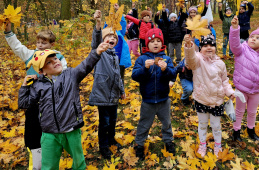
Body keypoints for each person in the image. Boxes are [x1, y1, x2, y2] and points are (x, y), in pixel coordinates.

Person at [18, 41, 109, 169]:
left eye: (55, 58)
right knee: (48, 165)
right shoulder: (37, 85)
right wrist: (24, 86)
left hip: (71, 129)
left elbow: (85, 65)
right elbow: (24, 104)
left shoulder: (71, 75)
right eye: (48, 62)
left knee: (79, 163)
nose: (55, 62)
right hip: (49, 133)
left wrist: (97, 52)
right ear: (42, 71)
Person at [4, 21, 67, 170]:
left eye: (43, 43)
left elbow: (64, 74)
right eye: (38, 42)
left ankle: (52, 155)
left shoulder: (58, 57)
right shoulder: (30, 54)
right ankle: (36, 161)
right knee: (33, 132)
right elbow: (17, 47)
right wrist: (8, 32)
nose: (39, 45)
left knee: (50, 130)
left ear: (51, 44)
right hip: (33, 101)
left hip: (51, 101)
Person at [184, 33, 235, 158]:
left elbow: (224, 81)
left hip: (217, 102)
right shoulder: (198, 60)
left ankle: (218, 145)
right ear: (200, 48)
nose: (208, 47)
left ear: (215, 48)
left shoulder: (221, 64)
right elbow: (190, 60)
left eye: (211, 45)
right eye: (205, 45)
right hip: (201, 99)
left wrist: (229, 92)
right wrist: (189, 46)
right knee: (202, 124)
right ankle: (202, 144)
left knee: (216, 126)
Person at [132, 28, 176, 160]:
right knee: (144, 123)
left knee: (166, 122)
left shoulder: (166, 58)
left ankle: (168, 141)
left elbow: (173, 74)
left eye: (158, 41)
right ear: (147, 44)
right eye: (152, 41)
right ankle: (139, 143)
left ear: (162, 43)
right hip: (148, 100)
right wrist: (145, 69)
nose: (155, 43)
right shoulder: (142, 59)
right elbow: (135, 76)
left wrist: (165, 69)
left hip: (163, 99)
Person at [230, 16, 259, 142]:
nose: (254, 39)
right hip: (242, 88)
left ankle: (251, 130)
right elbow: (234, 44)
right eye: (252, 37)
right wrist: (234, 29)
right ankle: (236, 131)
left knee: (252, 112)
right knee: (239, 111)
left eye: (258, 38)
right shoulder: (241, 50)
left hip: (256, 90)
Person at [88, 10, 126, 159]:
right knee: (104, 122)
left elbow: (118, 77)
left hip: (114, 95)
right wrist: (98, 24)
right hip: (102, 94)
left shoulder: (115, 57)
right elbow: (95, 42)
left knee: (113, 120)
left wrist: (122, 91)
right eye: (108, 36)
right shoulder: (100, 53)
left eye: (114, 37)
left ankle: (111, 140)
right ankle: (103, 146)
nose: (112, 39)